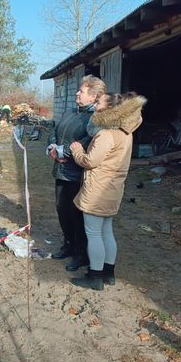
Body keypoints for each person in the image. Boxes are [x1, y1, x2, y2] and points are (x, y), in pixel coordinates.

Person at [69, 92, 147, 291]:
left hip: (98, 190)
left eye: (99, 102)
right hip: (113, 188)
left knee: (94, 233)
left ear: (111, 109)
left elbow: (90, 161)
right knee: (106, 231)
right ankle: (108, 273)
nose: (95, 105)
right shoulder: (125, 132)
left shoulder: (106, 134)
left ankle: (94, 276)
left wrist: (77, 149)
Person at [47, 75, 107, 271]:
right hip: (61, 170)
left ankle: (81, 254)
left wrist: (63, 151)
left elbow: (88, 141)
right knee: (61, 210)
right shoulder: (69, 111)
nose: (77, 93)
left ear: (94, 96)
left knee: (77, 214)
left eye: (81, 91)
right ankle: (68, 244)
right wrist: (52, 147)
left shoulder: (96, 118)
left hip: (79, 173)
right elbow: (54, 130)